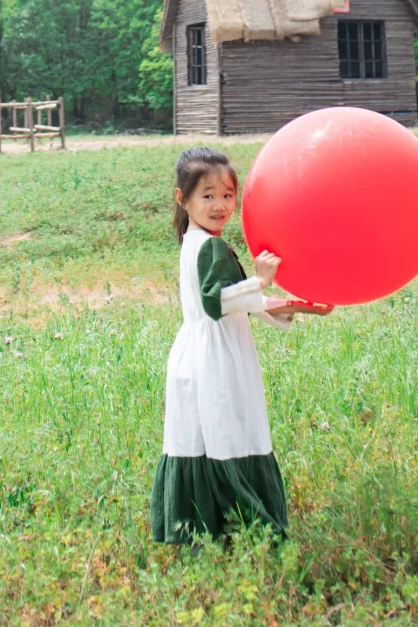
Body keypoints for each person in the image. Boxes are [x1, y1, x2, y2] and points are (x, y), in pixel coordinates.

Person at [151, 146, 332, 545]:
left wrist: (290, 305)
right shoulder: (209, 245)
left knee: (204, 436)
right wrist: (263, 281)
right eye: (208, 195)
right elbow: (219, 300)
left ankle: (205, 532)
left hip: (198, 353)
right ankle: (251, 530)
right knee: (231, 433)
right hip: (216, 358)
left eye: (228, 195)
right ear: (183, 198)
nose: (220, 205)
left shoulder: (194, 241)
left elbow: (234, 301)